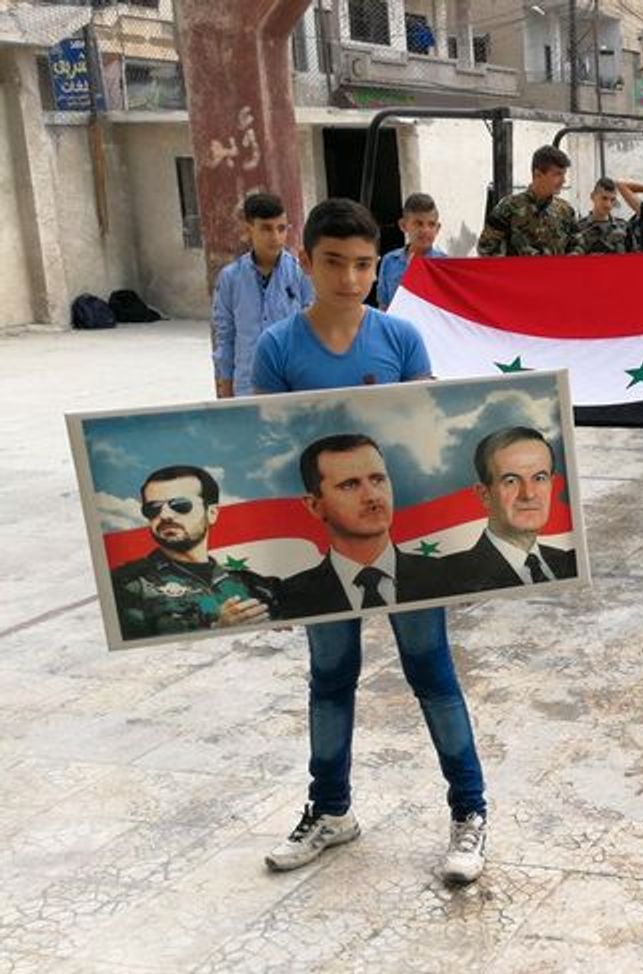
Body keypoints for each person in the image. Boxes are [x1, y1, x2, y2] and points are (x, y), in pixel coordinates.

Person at [251, 198, 489, 885]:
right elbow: (265, 448)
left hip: (403, 542)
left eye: (362, 264)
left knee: (432, 673)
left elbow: (425, 436)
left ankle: (469, 812)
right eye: (335, 263)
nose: (351, 279)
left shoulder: (401, 339)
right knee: (330, 678)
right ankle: (331, 811)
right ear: (306, 261)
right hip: (321, 550)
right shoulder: (278, 348)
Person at [275, 435, 450, 618]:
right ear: (315, 506)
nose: (372, 496)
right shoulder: (288, 599)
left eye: (377, 479)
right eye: (349, 485)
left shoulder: (448, 577)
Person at [111, 465, 276, 640]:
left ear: (211, 513)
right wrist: (218, 632)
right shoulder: (122, 585)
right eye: (153, 508)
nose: (165, 515)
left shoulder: (257, 586)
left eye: (180, 505)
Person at [443, 427, 578, 590]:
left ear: (552, 485)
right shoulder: (446, 577)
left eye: (540, 478)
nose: (528, 494)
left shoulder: (572, 562)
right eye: (511, 481)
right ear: (484, 495)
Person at [213, 193, 311, 398]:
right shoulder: (230, 277)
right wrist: (225, 388)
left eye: (281, 229)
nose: (275, 237)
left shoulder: (300, 273)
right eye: (266, 229)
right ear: (249, 229)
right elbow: (225, 336)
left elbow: (312, 327)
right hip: (247, 384)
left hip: (292, 381)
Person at [476, 145, 577, 257]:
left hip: (556, 274)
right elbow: (486, 248)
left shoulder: (565, 211)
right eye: (557, 174)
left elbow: (576, 246)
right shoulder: (509, 208)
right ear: (537, 174)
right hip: (517, 274)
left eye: (563, 174)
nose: (563, 180)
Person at [376, 193, 445, 309]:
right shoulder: (389, 261)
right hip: (395, 326)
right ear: (403, 225)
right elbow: (383, 305)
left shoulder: (444, 264)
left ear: (438, 228)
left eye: (431, 224)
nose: (425, 230)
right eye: (418, 224)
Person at [573, 177, 631, 255]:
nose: (608, 204)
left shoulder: (623, 227)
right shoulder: (579, 227)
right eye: (604, 198)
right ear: (593, 196)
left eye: (612, 200)